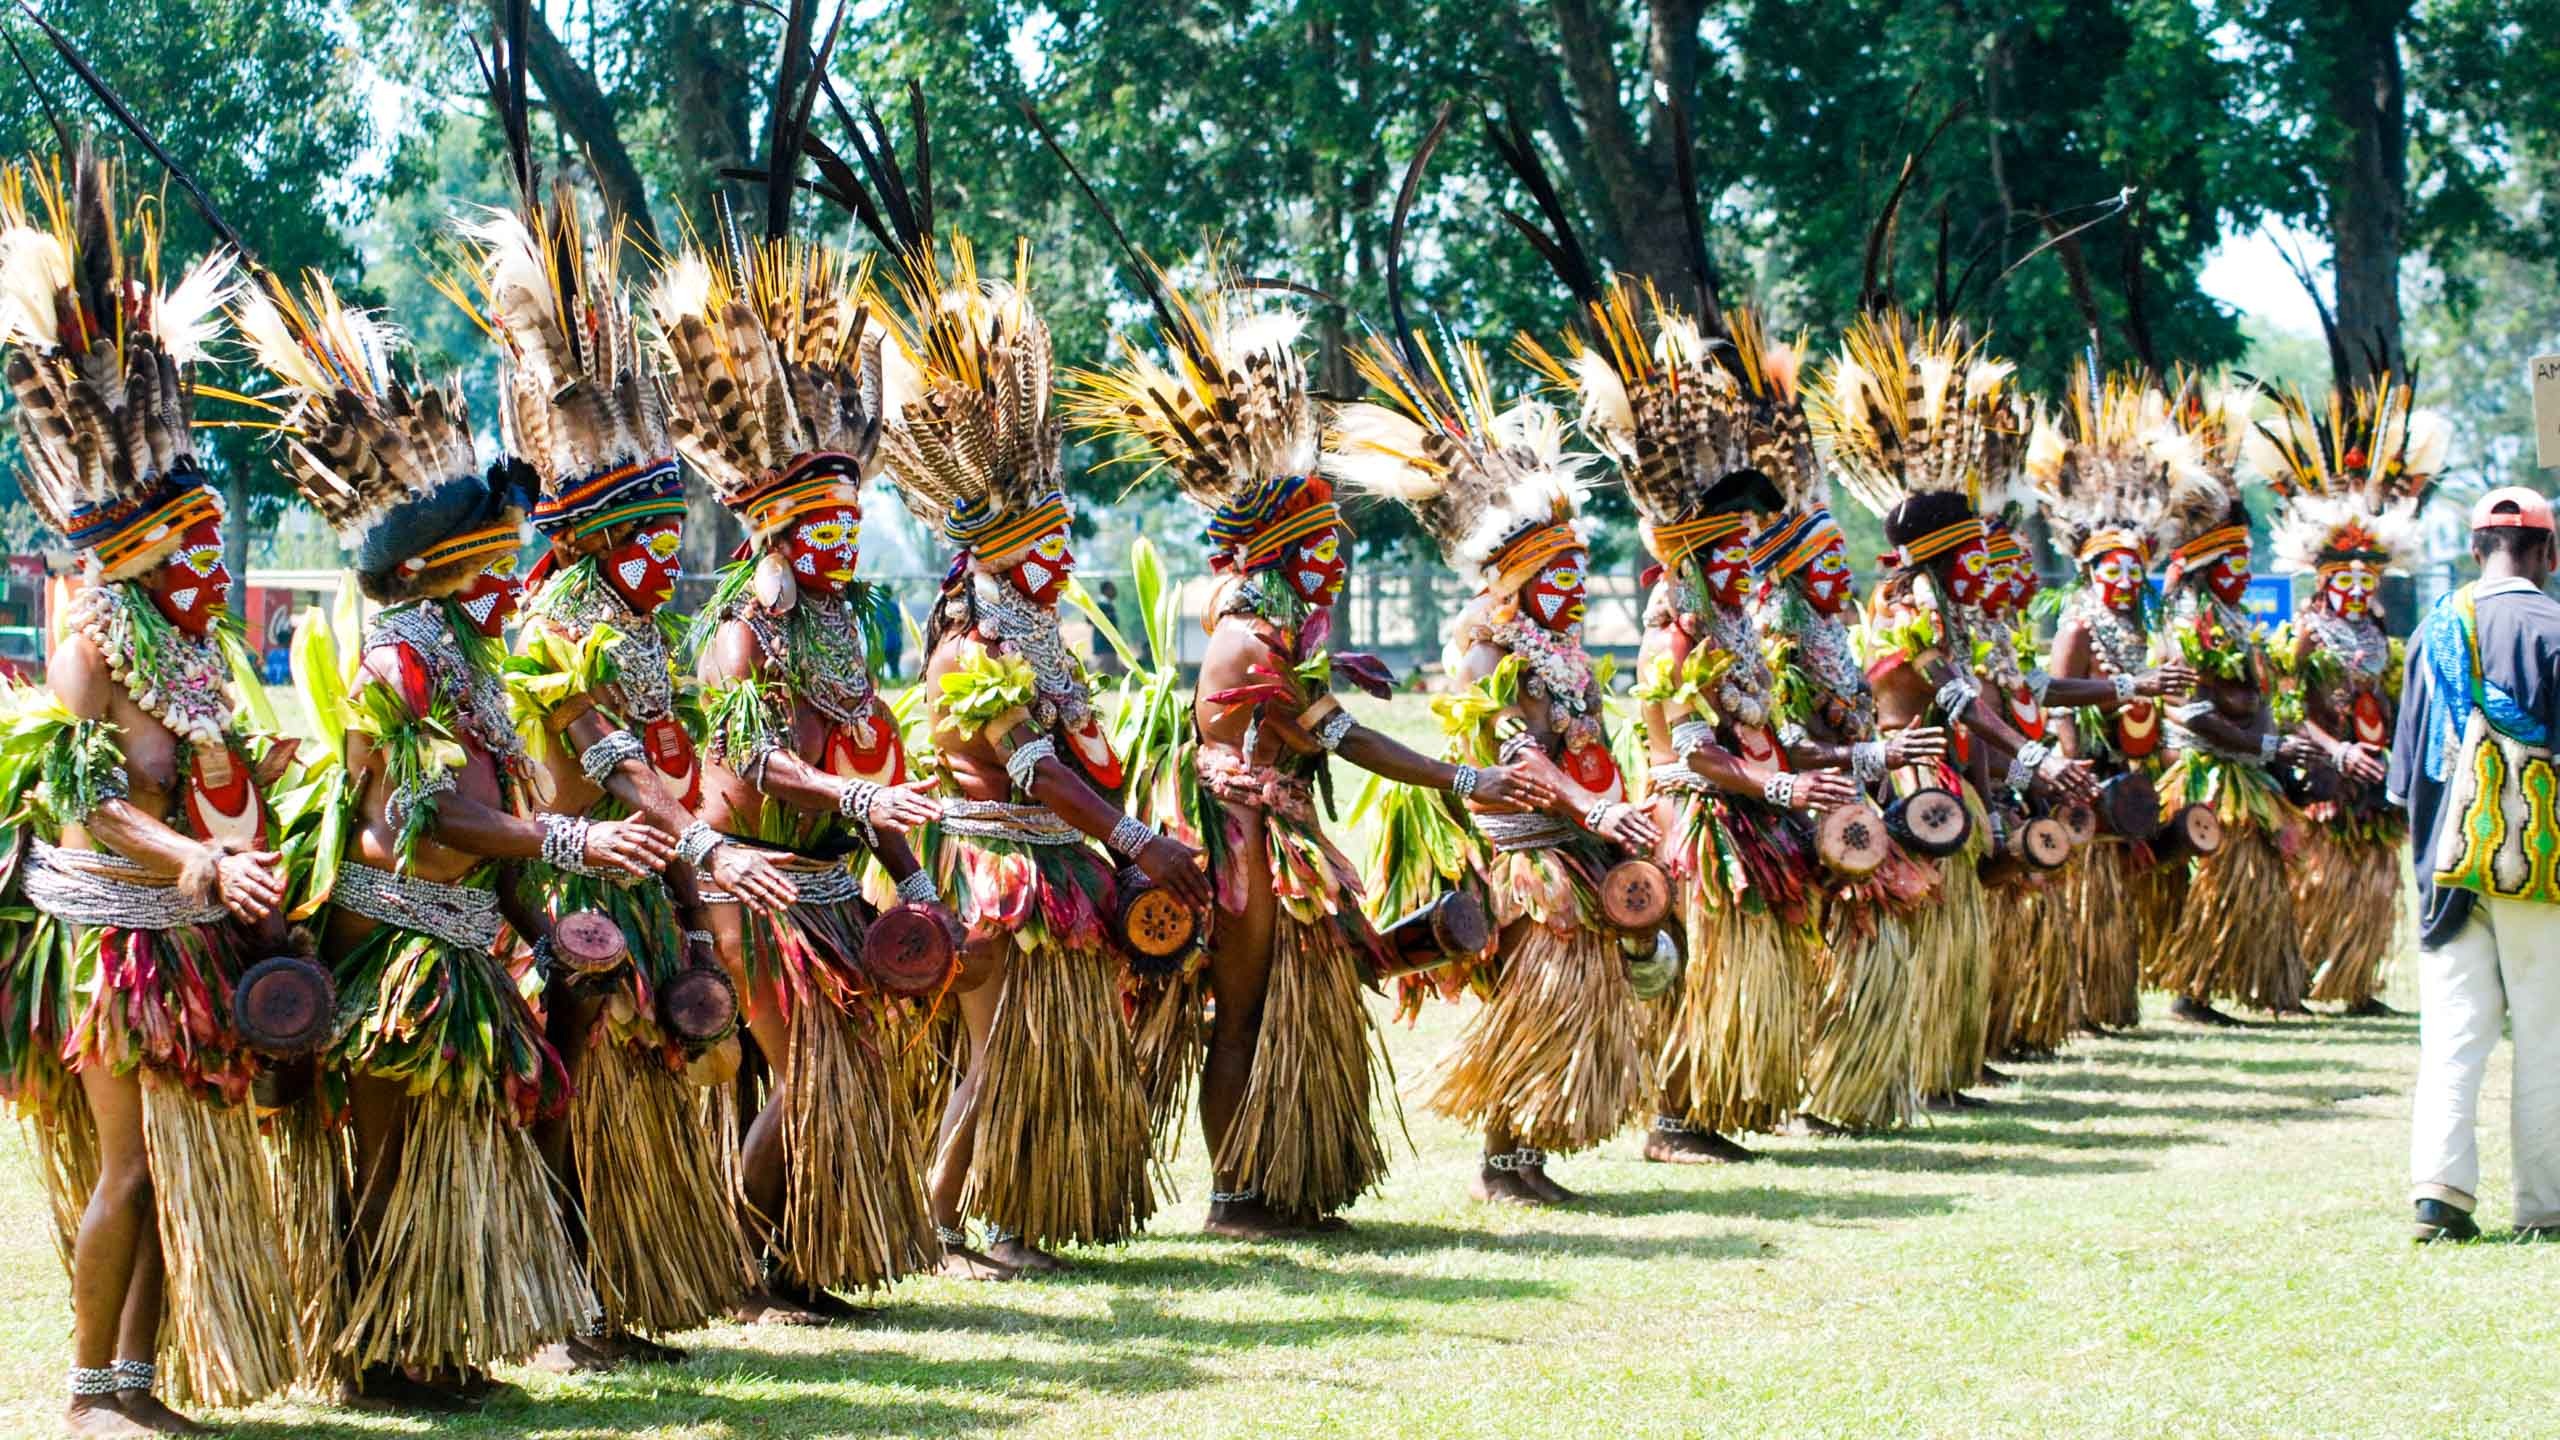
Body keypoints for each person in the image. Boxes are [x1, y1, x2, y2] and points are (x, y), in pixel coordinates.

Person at [245, 274, 656, 1408]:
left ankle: (438, 1337)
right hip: (396, 950)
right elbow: (423, 818)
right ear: (427, 569)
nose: (512, 575)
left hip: (467, 941)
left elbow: (490, 824)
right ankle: (375, 1354)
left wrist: (538, 924)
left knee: (454, 1145)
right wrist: (564, 835)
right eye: (492, 557)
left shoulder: (472, 661)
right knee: (385, 1155)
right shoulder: (403, 662)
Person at [1, 146, 302, 1435]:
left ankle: (140, 1383)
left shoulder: (195, 651)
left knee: (182, 1163)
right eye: (195, 532)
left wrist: (262, 794)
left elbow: (217, 783)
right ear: (142, 542)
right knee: (130, 1166)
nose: (214, 548)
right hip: (113, 938)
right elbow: (82, 802)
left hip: (185, 927)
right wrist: (191, 862)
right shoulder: (92, 643)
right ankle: (85, 1396)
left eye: (213, 531)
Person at [477, 175, 764, 1361]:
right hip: (574, 902)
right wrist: (701, 847)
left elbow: (669, 765)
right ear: (594, 535)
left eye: (669, 532)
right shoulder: (557, 628)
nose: (666, 553)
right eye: (645, 536)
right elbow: (610, 762)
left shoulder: (641, 631)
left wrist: (694, 916)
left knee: (639, 1104)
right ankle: (564, 1317)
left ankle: (610, 1304)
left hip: (643, 894)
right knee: (574, 1106)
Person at [873, 236, 1179, 1275]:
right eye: (1041, 539)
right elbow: (1031, 770)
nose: (1062, 553)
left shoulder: (1041, 634)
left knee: (1033, 1051)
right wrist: (1134, 838)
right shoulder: (974, 646)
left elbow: (1075, 762)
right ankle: (944, 1220)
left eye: (1063, 534)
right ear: (995, 553)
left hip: (1058, 859)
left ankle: (998, 1219)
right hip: (1000, 865)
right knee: (1000, 1048)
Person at [1331, 328, 1659, 1202]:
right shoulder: (1487, 646)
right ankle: (1501, 1163)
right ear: (1516, 581)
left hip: (1578, 837)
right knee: (1535, 998)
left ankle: (1522, 1161)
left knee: (1572, 995)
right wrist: (1592, 815)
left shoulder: (1563, 648)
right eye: (1564, 574)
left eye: (1582, 571)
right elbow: (1518, 754)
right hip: (1527, 851)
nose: (1581, 587)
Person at [2024, 373, 2220, 1033]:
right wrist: (2074, 768)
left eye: (2134, 568)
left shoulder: (2137, 628)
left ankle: (2116, 1002)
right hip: (2092, 772)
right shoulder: (2079, 626)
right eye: (2112, 568)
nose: (2125, 577)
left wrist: (2163, 751)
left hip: (2133, 769)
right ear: (2088, 571)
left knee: (2128, 892)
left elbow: (2151, 703)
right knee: (2094, 896)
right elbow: (2055, 702)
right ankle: (2085, 1007)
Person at [2391, 486, 2560, 1243]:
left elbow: (2405, 778)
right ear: (2549, 556)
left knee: (2454, 1033)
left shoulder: (2432, 634)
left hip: (2446, 866)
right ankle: (2546, 1204)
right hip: (2542, 867)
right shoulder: (2555, 628)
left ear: (2472, 551)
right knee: (2548, 1032)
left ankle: (2440, 1194)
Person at [2254, 371, 2446, 1016]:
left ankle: (2358, 982)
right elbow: (2284, 712)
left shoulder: (2380, 630)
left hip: (2374, 774)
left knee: (2374, 881)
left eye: (2371, 575)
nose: (2361, 586)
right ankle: (2308, 977)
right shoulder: (2305, 632)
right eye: (2348, 575)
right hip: (2324, 780)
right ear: (2324, 577)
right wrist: (2335, 753)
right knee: (2323, 878)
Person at [2148, 382, 2330, 1022]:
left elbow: (2258, 691)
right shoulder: (2191, 616)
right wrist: (2268, 746)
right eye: (2235, 561)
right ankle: (2192, 991)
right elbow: (2190, 709)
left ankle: (2274, 986)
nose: (2246, 573)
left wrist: (2274, 747)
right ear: (2205, 564)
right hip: (2211, 774)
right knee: (2225, 878)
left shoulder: (2230, 614)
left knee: (2263, 880)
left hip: (2249, 770)